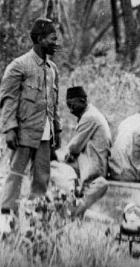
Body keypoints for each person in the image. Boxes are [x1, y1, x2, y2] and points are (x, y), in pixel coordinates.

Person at [0, 18, 62, 233]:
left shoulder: (53, 70)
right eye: (52, 39)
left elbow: (54, 105)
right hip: (23, 133)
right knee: (16, 174)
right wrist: (10, 128)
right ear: (40, 40)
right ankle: (6, 219)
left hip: (44, 135)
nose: (56, 43)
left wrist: (56, 133)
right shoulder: (19, 66)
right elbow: (8, 99)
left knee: (42, 178)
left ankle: (36, 221)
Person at [50, 86, 112, 217]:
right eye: (68, 105)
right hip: (91, 160)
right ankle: (67, 204)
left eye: (72, 105)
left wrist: (55, 156)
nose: (70, 109)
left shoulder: (89, 117)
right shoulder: (90, 114)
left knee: (54, 166)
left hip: (94, 164)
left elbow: (74, 147)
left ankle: (73, 211)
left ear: (83, 101)